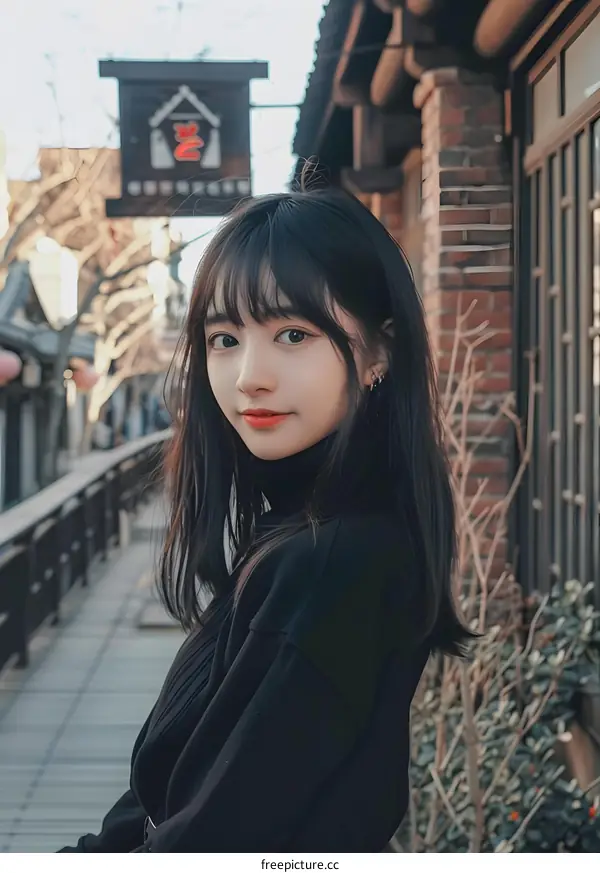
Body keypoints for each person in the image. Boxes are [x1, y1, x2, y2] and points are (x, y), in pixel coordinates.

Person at [59, 187, 470, 853]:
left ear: (377, 354)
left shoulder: (333, 562)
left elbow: (212, 839)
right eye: (225, 338)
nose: (249, 375)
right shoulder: (306, 528)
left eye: (293, 334)